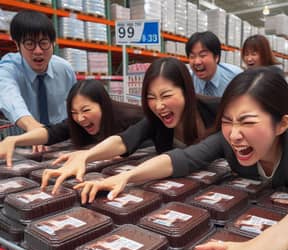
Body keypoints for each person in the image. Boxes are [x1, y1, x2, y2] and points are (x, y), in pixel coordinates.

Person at [74, 68, 288, 250]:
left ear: (281, 124)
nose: (234, 134)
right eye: (227, 121)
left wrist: (271, 243)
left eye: (247, 122)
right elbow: (184, 158)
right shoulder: (228, 140)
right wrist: (127, 177)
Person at [41, 57, 220, 193]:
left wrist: (126, 176)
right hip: (181, 190)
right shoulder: (156, 120)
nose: (158, 105)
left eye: (166, 95)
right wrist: (86, 157)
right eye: (151, 98)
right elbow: (124, 141)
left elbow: (187, 157)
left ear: (186, 91)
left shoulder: (217, 111)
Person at [0, 80, 144, 166]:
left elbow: (148, 145)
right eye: (74, 112)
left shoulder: (132, 117)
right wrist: (14, 140)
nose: (80, 118)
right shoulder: (77, 124)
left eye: (86, 110)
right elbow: (52, 133)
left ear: (103, 105)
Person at [0, 10, 76, 132]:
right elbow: (8, 95)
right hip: (24, 140)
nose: (38, 51)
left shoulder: (65, 69)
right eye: (29, 44)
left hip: (61, 139)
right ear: (17, 45)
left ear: (53, 43)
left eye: (44, 43)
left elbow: (76, 103)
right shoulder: (9, 68)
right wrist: (32, 126)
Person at [186, 31, 242, 97]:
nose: (197, 62)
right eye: (192, 56)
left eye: (203, 55)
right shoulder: (187, 80)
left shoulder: (236, 77)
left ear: (216, 57)